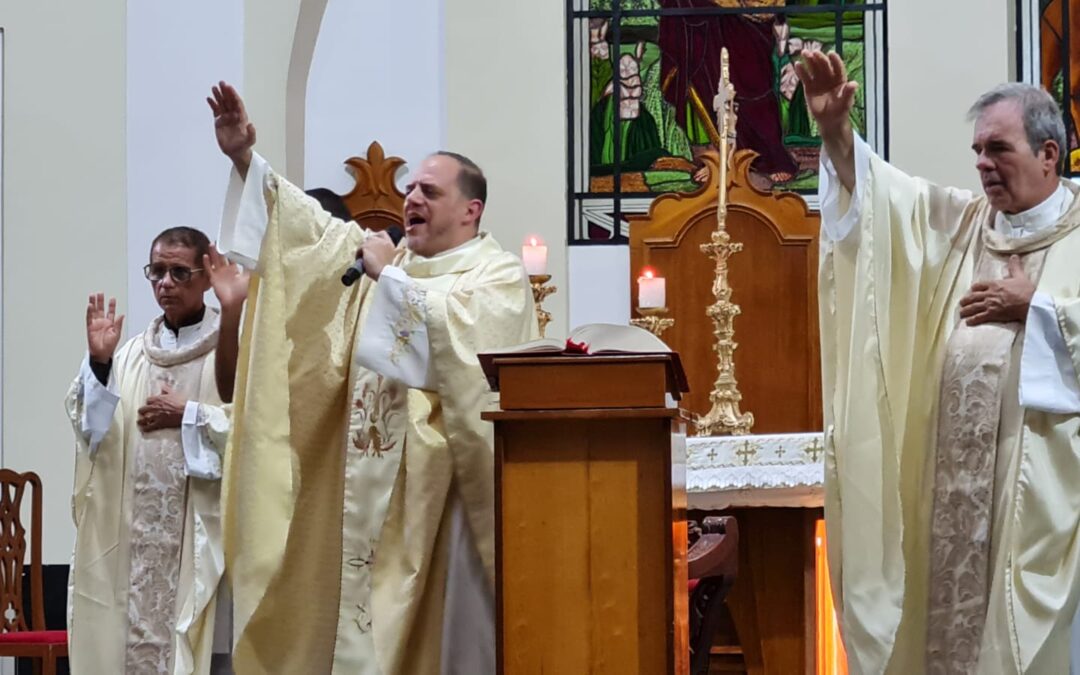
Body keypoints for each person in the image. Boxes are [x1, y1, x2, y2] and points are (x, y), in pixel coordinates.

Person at [206, 81, 537, 673]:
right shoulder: (391, 261)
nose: (412, 198)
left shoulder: (497, 275)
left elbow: (468, 360)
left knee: (447, 641)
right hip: (367, 489)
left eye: (429, 192)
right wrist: (245, 160)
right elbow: (311, 232)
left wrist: (393, 283)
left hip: (443, 499)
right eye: (411, 189)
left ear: (471, 210)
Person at [799, 51, 1080, 673]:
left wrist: (1038, 306)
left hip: (1045, 495)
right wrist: (835, 132)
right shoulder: (965, 224)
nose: (982, 163)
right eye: (978, 149)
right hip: (952, 481)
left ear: (1048, 155)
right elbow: (881, 203)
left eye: (998, 149)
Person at [64, 227, 234, 674]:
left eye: (180, 272)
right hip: (134, 553)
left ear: (207, 276)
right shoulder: (131, 355)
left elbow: (258, 433)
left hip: (200, 550)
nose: (165, 283)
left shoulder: (231, 351)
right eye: (157, 271)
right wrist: (100, 365)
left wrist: (192, 415)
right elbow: (94, 433)